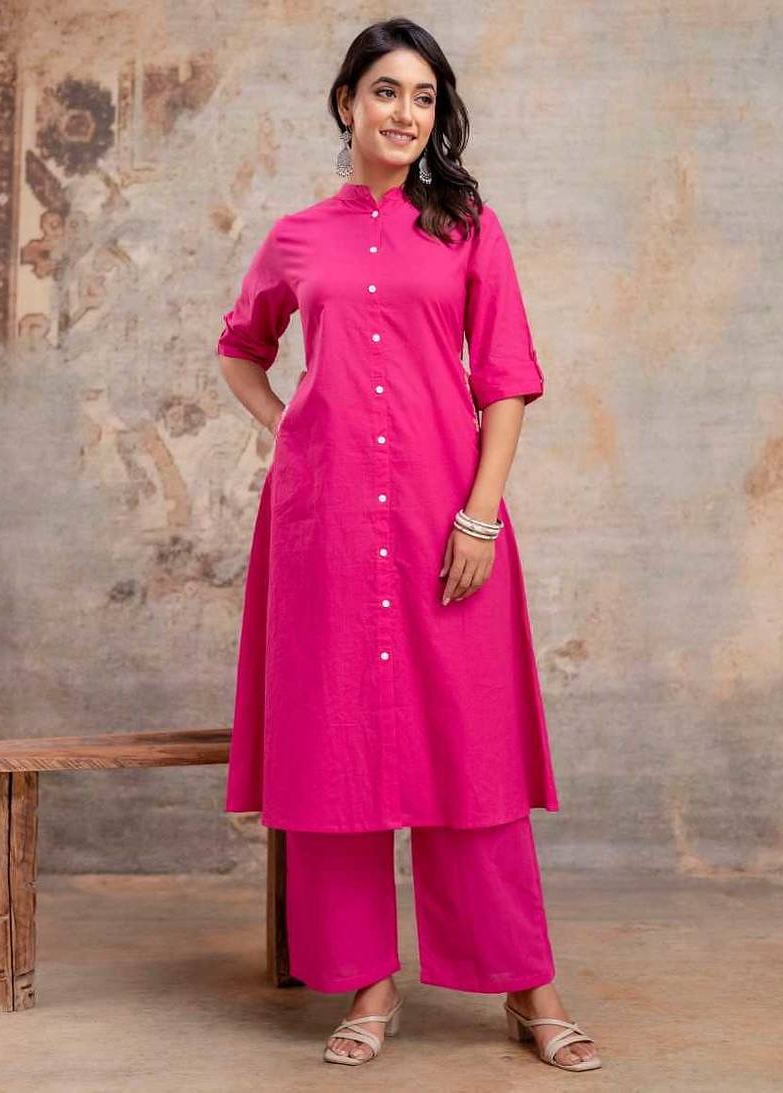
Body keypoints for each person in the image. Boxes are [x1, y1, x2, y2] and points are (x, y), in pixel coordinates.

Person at [216, 17, 602, 1073]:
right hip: (327, 527)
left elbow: (506, 378)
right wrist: (290, 427)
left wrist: (480, 513)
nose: (405, 113)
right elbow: (241, 347)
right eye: (385, 91)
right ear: (346, 102)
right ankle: (366, 985)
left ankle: (527, 986)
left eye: (424, 96)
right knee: (337, 750)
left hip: (445, 517)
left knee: (471, 750)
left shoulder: (468, 226)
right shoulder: (298, 236)